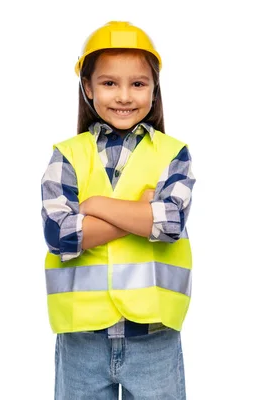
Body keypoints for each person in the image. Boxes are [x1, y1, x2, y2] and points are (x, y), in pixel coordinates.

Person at [40, 21, 195, 399]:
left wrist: (96, 207)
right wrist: (139, 214)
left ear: (154, 89)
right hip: (82, 341)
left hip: (154, 339)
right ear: (88, 88)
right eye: (110, 83)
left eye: (138, 83)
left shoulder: (172, 153)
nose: (124, 95)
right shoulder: (68, 154)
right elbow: (60, 236)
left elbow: (169, 223)